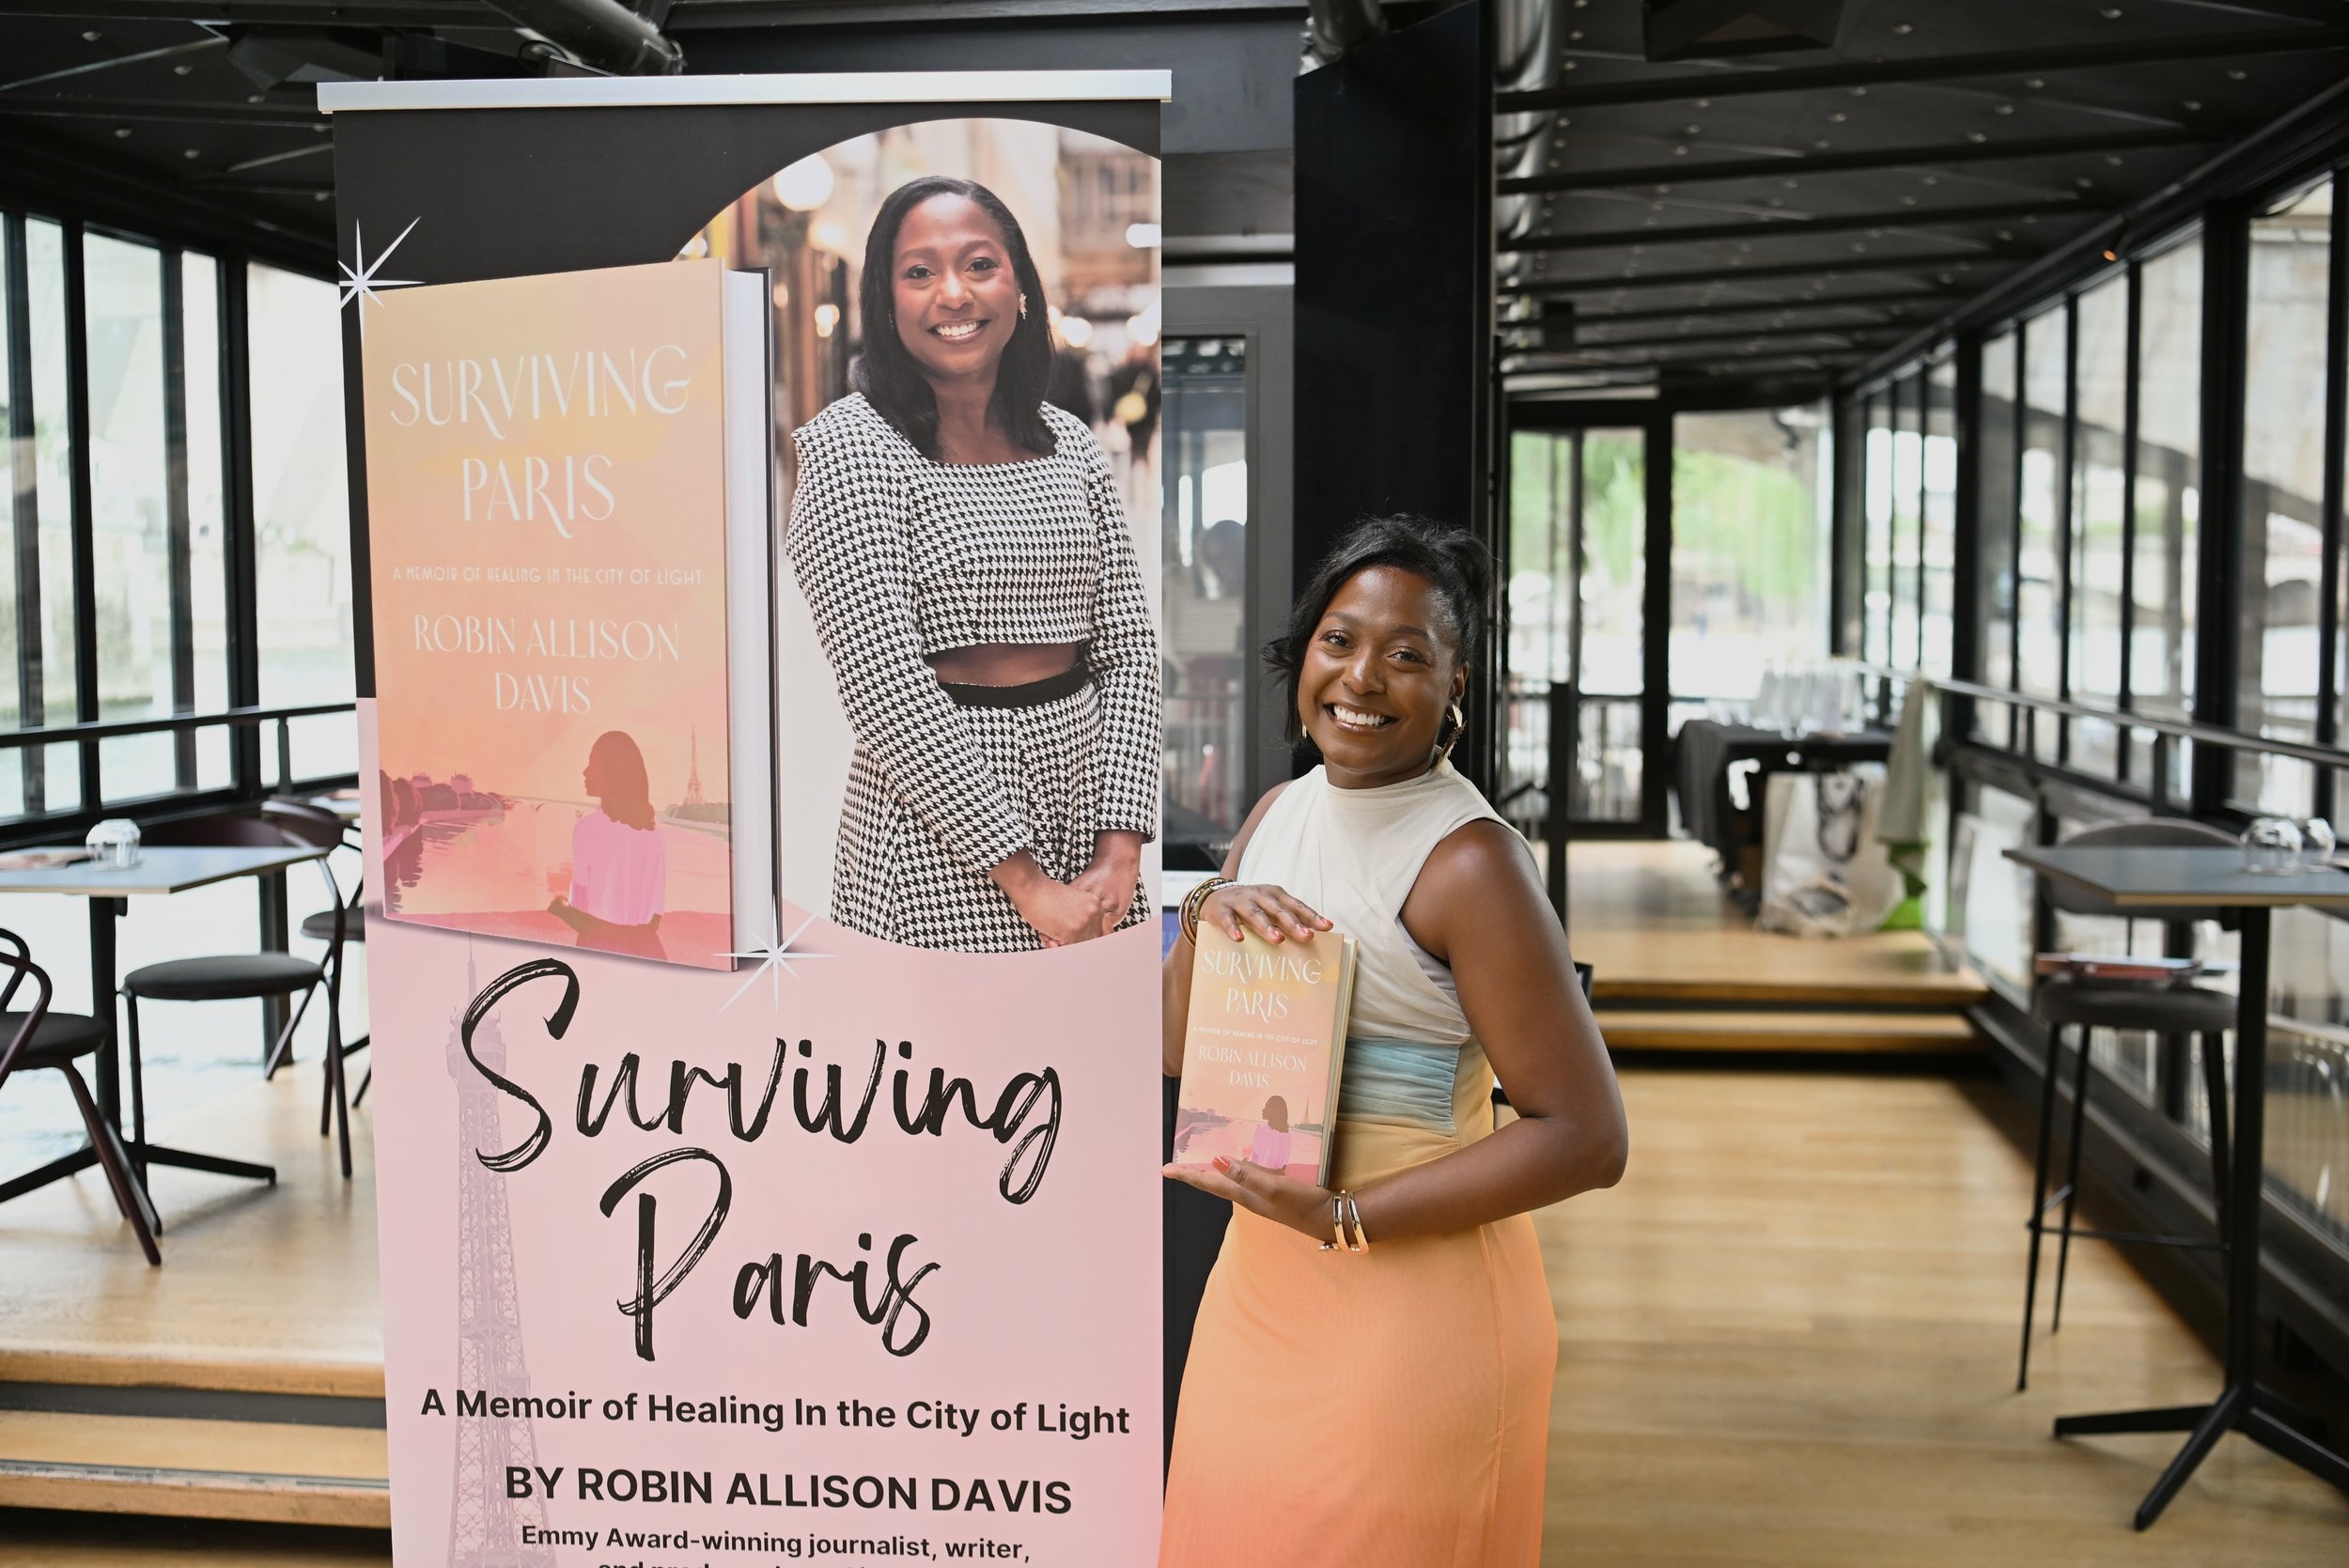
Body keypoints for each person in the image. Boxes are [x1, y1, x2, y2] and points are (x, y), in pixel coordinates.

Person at [1159, 516, 1627, 1566]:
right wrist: (1206, 918)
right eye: (1339, 639)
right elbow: (1179, 1051)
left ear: (1455, 683)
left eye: (1406, 653)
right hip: (1259, 1290)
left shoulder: (1469, 864)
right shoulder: (1275, 814)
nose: (1361, 676)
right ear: (1303, 652)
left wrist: (1342, 1215)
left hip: (1413, 1307)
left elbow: (1587, 1136)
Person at [786, 175, 1160, 952]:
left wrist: (1121, 843)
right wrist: (1024, 880)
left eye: (979, 264)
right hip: (939, 837)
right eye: (919, 272)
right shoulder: (851, 447)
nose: (952, 293)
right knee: (952, 1070)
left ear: (1018, 285)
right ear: (887, 304)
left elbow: (1128, 647)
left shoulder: (1068, 443)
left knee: (1084, 1066)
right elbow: (885, 687)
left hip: (1088, 812)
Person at [549, 730, 666, 959]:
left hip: (600, 949)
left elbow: (581, 914)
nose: (585, 772)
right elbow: (654, 920)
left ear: (613, 775)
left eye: (593, 764)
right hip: (648, 951)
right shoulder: (655, 835)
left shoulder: (587, 829)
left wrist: (559, 907)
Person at [1246, 1094, 1294, 1175]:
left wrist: (1248, 1163)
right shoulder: (1288, 1135)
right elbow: (1283, 1167)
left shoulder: (1261, 1131)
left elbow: (1255, 1159)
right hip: (1276, 1177)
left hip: (1260, 1175)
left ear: (1276, 1111)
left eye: (1267, 1106)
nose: (1263, 1110)